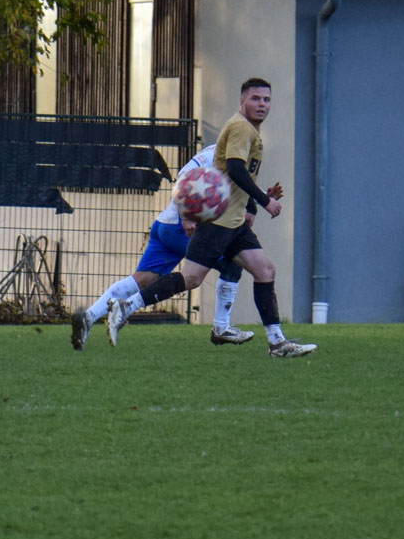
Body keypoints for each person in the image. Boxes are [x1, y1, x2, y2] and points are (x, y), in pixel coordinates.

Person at [106, 78, 316, 357]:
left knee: (265, 270)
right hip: (218, 221)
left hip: (234, 222)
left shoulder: (249, 129)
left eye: (266, 99)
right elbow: (236, 169)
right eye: (255, 98)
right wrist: (265, 201)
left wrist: (253, 204)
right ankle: (126, 306)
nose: (262, 104)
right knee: (191, 278)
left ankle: (277, 343)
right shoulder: (241, 127)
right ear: (242, 101)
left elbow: (236, 176)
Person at [70, 141, 250, 350]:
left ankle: (88, 317)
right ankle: (221, 327)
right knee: (231, 264)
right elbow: (183, 175)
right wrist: (186, 216)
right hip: (180, 228)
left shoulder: (227, 155)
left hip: (165, 225)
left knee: (141, 279)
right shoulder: (215, 153)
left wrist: (263, 196)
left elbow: (230, 190)